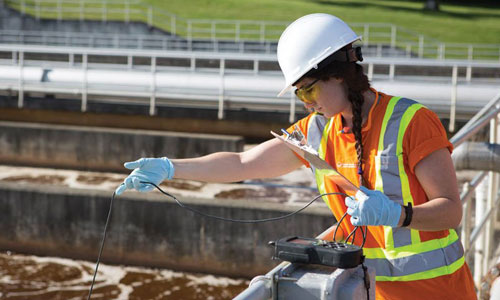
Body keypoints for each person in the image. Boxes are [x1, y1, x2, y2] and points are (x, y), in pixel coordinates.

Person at [115, 13, 476, 300]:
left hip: (439, 293)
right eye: (300, 95)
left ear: (340, 75)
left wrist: (397, 214)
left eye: (309, 90)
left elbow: (451, 212)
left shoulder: (413, 122)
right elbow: (243, 164)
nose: (306, 102)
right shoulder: (318, 131)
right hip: (368, 291)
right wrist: (170, 167)